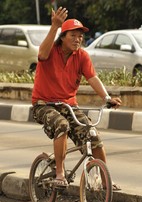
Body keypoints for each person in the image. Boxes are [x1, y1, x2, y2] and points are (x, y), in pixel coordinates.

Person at [32, 6, 122, 187]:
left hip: (69, 106)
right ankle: (59, 173)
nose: (78, 39)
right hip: (44, 104)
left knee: (93, 135)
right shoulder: (51, 50)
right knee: (62, 125)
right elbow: (41, 55)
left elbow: (93, 78)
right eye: (73, 35)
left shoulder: (82, 56)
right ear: (63, 37)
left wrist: (107, 98)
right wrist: (54, 26)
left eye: (80, 36)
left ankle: (105, 183)